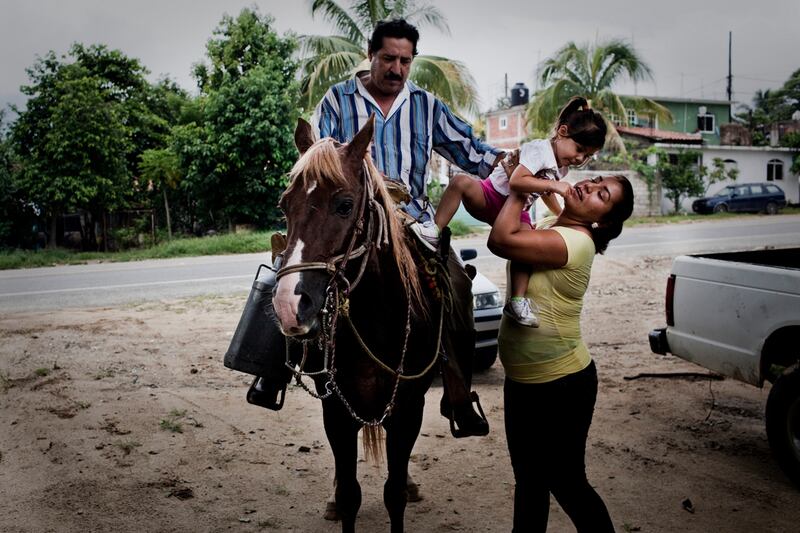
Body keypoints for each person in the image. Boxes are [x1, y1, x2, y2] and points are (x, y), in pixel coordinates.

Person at [304, 18, 503, 437]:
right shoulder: (337, 101)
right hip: (351, 223)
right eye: (389, 59)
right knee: (291, 276)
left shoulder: (426, 105)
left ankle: (458, 396)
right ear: (371, 55)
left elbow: (470, 150)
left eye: (406, 61)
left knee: (459, 285)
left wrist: (517, 162)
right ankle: (273, 369)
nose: (397, 69)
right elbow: (317, 162)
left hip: (413, 223)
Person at [487, 172, 634, 532]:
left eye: (602, 194)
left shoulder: (575, 242)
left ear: (602, 220)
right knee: (530, 483)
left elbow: (501, 239)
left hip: (562, 383)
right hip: (523, 380)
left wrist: (524, 185)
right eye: (596, 179)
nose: (589, 186)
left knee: (567, 483)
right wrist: (535, 177)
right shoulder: (556, 223)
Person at [418, 96, 606, 328]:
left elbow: (545, 194)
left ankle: (517, 300)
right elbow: (517, 181)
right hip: (490, 196)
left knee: (525, 248)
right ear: (562, 131)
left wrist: (559, 213)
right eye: (579, 149)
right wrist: (553, 185)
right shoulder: (539, 150)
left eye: (586, 156)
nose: (580, 158)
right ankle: (433, 230)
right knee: (460, 182)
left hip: (517, 211)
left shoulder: (562, 167)